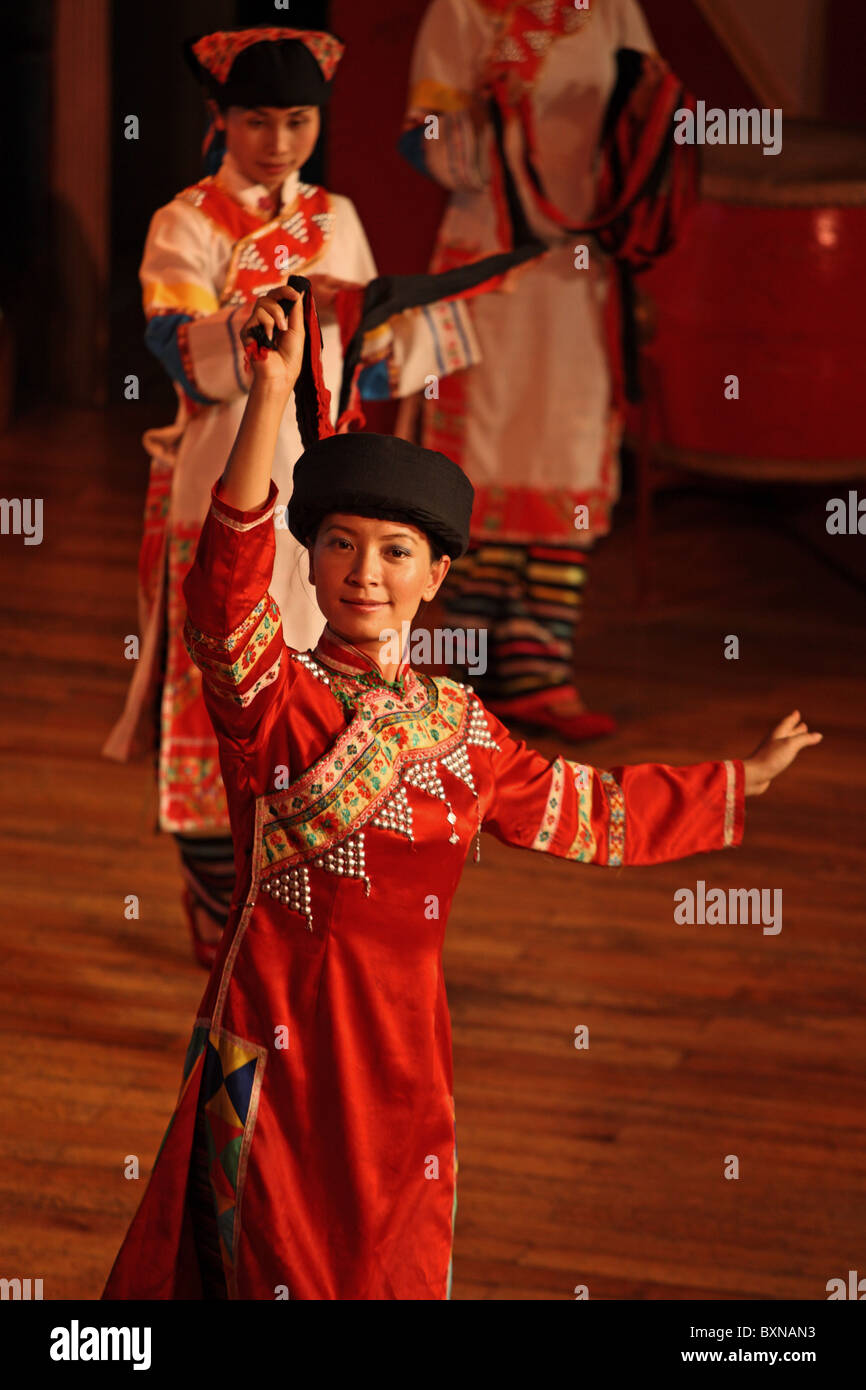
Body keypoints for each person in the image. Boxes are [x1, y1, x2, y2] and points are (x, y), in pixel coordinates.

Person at [101, 285, 821, 1301]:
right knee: (266, 1256)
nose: (363, 572)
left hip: (403, 1062)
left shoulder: (463, 729)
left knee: (386, 1258)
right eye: (340, 544)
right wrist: (269, 392)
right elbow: (220, 598)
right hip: (275, 1045)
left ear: (434, 575)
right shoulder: (276, 699)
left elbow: (588, 809)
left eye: (396, 551)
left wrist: (733, 779)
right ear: (311, 558)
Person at [103, 25, 477, 968]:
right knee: (220, 674)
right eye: (259, 121)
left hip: (325, 481)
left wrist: (396, 327)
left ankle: (302, 888)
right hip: (223, 470)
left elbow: (365, 355)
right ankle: (219, 897)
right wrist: (250, 326)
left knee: (320, 667)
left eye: (298, 121)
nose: (278, 142)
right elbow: (178, 349)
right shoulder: (183, 221)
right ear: (222, 119)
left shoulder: (337, 218)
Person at [399, 0, 664, 739]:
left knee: (569, 448)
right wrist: (485, 109)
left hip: (584, 267)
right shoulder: (465, 10)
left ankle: (543, 660)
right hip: (493, 263)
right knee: (484, 454)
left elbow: (651, 118)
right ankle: (472, 659)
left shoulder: (610, 9)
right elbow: (430, 143)